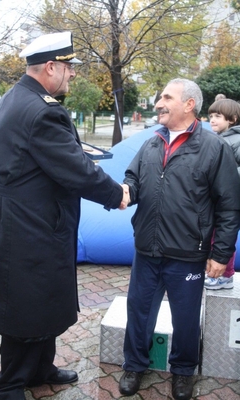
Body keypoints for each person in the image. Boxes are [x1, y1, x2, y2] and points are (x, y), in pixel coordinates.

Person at [0, 32, 129, 400]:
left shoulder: (15, 96)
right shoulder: (43, 111)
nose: (72, 75)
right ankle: (10, 384)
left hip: (21, 220)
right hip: (29, 226)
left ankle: (40, 368)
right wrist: (116, 194)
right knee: (24, 308)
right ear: (50, 67)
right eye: (69, 68)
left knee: (41, 301)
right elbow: (75, 169)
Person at [118, 78, 240, 400]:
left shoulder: (215, 148)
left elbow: (229, 206)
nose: (159, 102)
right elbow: (133, 176)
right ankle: (134, 365)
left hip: (188, 254)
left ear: (189, 104)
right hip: (147, 249)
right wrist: (128, 188)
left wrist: (221, 253)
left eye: (166, 97)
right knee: (139, 311)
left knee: (185, 319)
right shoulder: (151, 142)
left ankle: (183, 372)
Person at [205, 98, 240, 289]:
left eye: (218, 116)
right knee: (213, 237)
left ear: (232, 119)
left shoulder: (236, 140)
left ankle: (224, 276)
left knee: (223, 238)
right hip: (215, 200)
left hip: (229, 201)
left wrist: (230, 176)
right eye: (211, 116)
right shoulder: (219, 140)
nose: (212, 120)